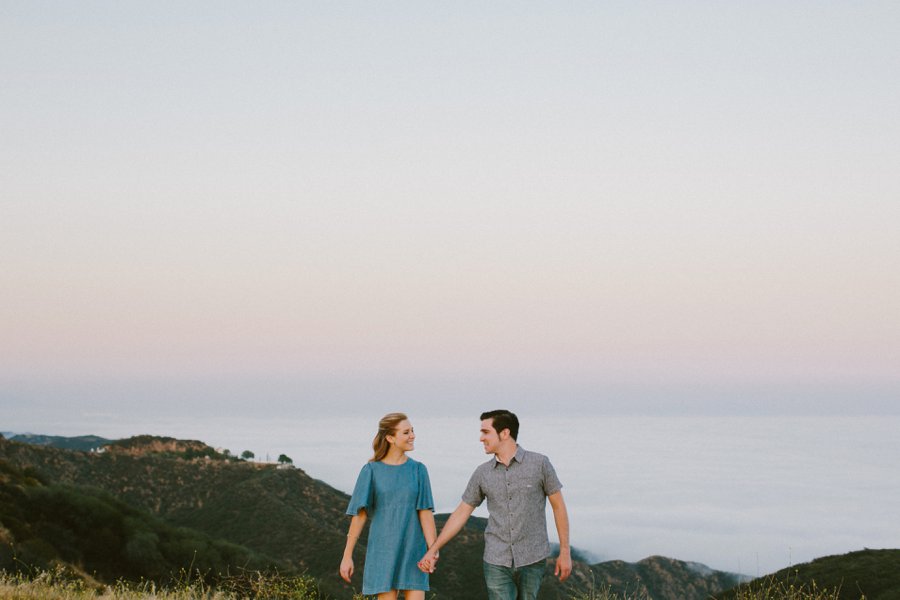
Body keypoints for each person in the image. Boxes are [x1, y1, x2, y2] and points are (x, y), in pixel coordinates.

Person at [418, 409, 571, 600]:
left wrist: (565, 551)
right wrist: (433, 549)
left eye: (485, 432)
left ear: (505, 433)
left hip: (533, 557)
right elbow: (461, 512)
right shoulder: (482, 473)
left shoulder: (539, 464)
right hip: (496, 559)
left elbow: (559, 506)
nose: (481, 438)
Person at [340, 412, 437, 600]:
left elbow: (425, 512)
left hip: (414, 552)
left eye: (412, 431)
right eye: (406, 432)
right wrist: (347, 555)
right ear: (390, 438)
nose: (413, 436)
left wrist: (433, 550)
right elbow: (359, 515)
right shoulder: (371, 471)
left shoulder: (419, 470)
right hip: (382, 552)